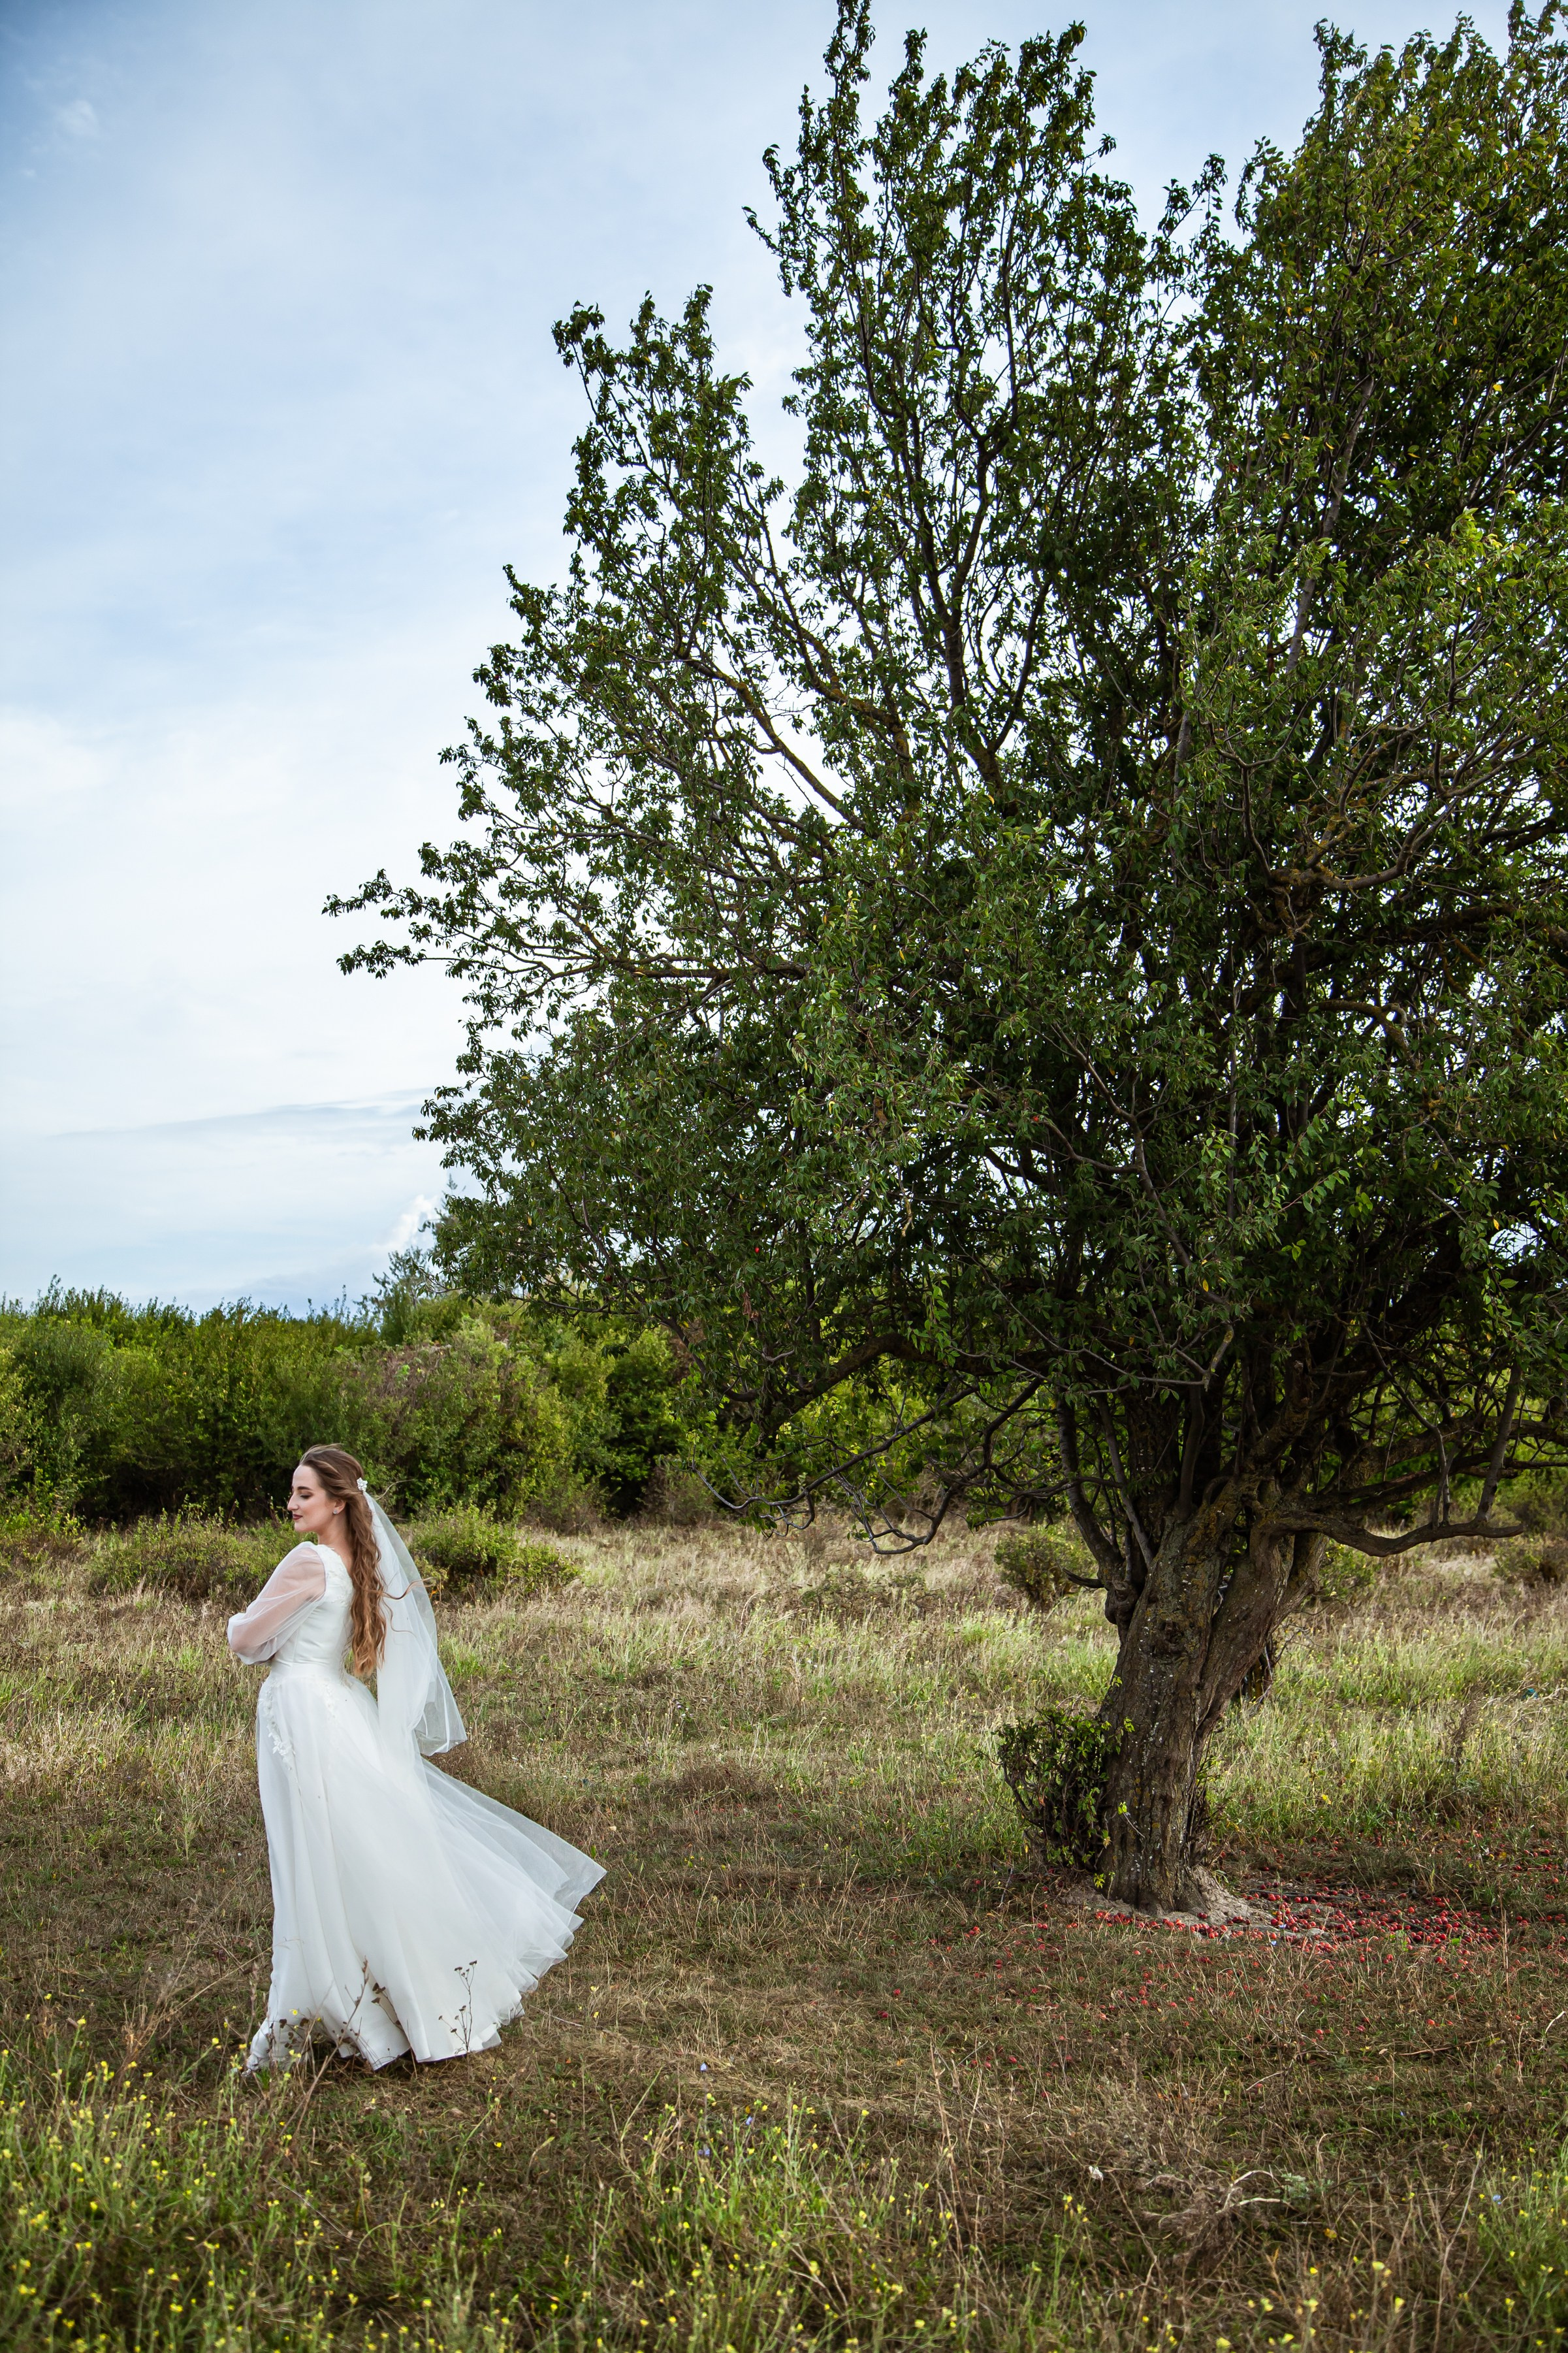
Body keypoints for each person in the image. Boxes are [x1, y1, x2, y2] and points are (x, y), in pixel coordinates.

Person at [227, 1444, 603, 2071]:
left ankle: (327, 2003)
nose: (290, 1505)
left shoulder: (308, 1562)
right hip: (339, 1708)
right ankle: (388, 1995)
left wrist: (240, 1620)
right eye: (291, 1493)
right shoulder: (357, 1565)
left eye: (304, 1494)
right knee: (355, 1856)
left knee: (311, 1860)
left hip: (302, 1712)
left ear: (339, 1500)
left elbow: (246, 1638)